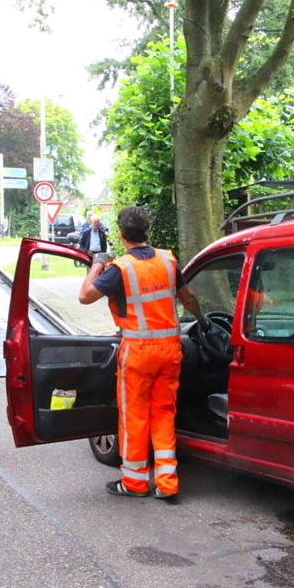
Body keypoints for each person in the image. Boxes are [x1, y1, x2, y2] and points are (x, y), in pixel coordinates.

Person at [78, 205, 210, 500]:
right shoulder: (167, 260)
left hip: (137, 352)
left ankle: (135, 483)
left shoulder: (120, 269)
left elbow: (85, 297)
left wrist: (97, 265)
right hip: (171, 350)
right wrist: (203, 321)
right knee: (164, 413)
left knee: (135, 416)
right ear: (145, 231)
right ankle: (167, 482)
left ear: (122, 234)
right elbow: (187, 298)